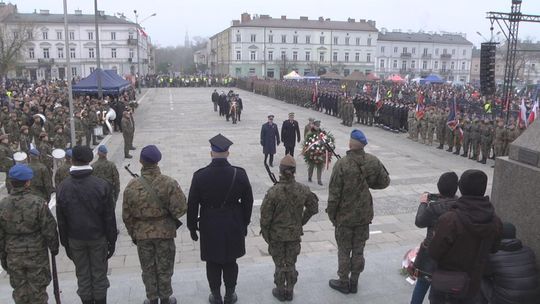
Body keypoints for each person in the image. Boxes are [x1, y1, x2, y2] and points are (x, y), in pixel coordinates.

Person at [187, 134, 254, 304]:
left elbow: (192, 204)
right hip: (233, 222)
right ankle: (230, 295)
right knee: (230, 261)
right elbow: (248, 201)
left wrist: (192, 227)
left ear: (211, 153)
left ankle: (216, 296)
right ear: (228, 153)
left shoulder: (200, 176)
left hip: (210, 223)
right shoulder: (239, 174)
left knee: (213, 262)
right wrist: (244, 222)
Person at [327, 129, 390, 294]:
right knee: (358, 249)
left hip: (344, 217)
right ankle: (354, 282)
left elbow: (334, 195)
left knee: (344, 250)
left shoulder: (341, 164)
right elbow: (384, 182)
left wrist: (332, 215)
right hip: (363, 216)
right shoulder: (373, 161)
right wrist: (367, 184)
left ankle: (343, 281)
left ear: (350, 144)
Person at [123, 145, 187, 304]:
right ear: (158, 161)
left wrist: (134, 234)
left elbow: (126, 216)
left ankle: (152, 299)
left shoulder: (131, 186)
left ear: (140, 161)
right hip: (164, 233)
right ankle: (165, 298)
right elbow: (181, 209)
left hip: (143, 235)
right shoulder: (169, 183)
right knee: (165, 268)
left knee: (148, 269)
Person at [428, 169, 503, 304]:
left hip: (447, 284)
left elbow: (434, 252)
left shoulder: (450, 219)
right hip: (474, 283)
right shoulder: (495, 220)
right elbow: (494, 248)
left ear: (461, 188)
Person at [56, 145, 118, 304]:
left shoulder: (63, 187)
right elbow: (109, 218)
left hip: (75, 238)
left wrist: (65, 243)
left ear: (73, 160)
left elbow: (61, 220)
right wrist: (112, 240)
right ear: (90, 159)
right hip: (98, 237)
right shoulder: (102, 185)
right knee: (99, 274)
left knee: (82, 275)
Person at [260, 155, 319, 301]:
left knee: (280, 264)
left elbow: (265, 218)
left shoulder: (273, 192)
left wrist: (267, 236)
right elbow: (313, 207)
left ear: (280, 171)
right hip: (294, 234)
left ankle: (281, 291)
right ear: (294, 171)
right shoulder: (303, 189)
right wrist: (301, 222)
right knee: (291, 263)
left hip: (277, 236)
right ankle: (290, 290)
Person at [0, 164, 59, 304]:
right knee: (38, 292)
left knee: (20, 292)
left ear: (11, 182)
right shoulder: (38, 202)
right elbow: (49, 229)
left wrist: (3, 257)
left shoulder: (3, 204)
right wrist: (54, 247)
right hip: (36, 254)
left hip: (13, 254)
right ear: (28, 182)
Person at [410, 172, 459, 304]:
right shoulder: (460, 205)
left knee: (422, 285)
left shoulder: (433, 207)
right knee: (440, 291)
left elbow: (419, 222)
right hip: (451, 253)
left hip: (430, 253)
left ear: (439, 187)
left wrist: (423, 203)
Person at [480, 222, 540, 304]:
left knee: (477, 277)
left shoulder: (493, 256)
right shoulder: (528, 251)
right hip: (533, 298)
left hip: (506, 300)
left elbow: (482, 272)